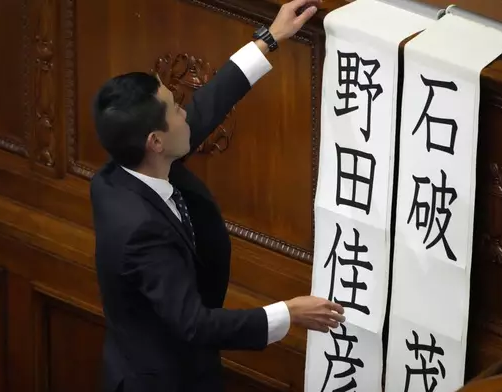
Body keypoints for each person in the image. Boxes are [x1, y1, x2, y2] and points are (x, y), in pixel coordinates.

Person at [90, 1, 344, 391]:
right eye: (175, 108)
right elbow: (194, 323)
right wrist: (288, 313)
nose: (184, 111)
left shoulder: (122, 171)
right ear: (155, 142)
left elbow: (207, 107)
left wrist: (269, 39)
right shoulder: (140, 232)